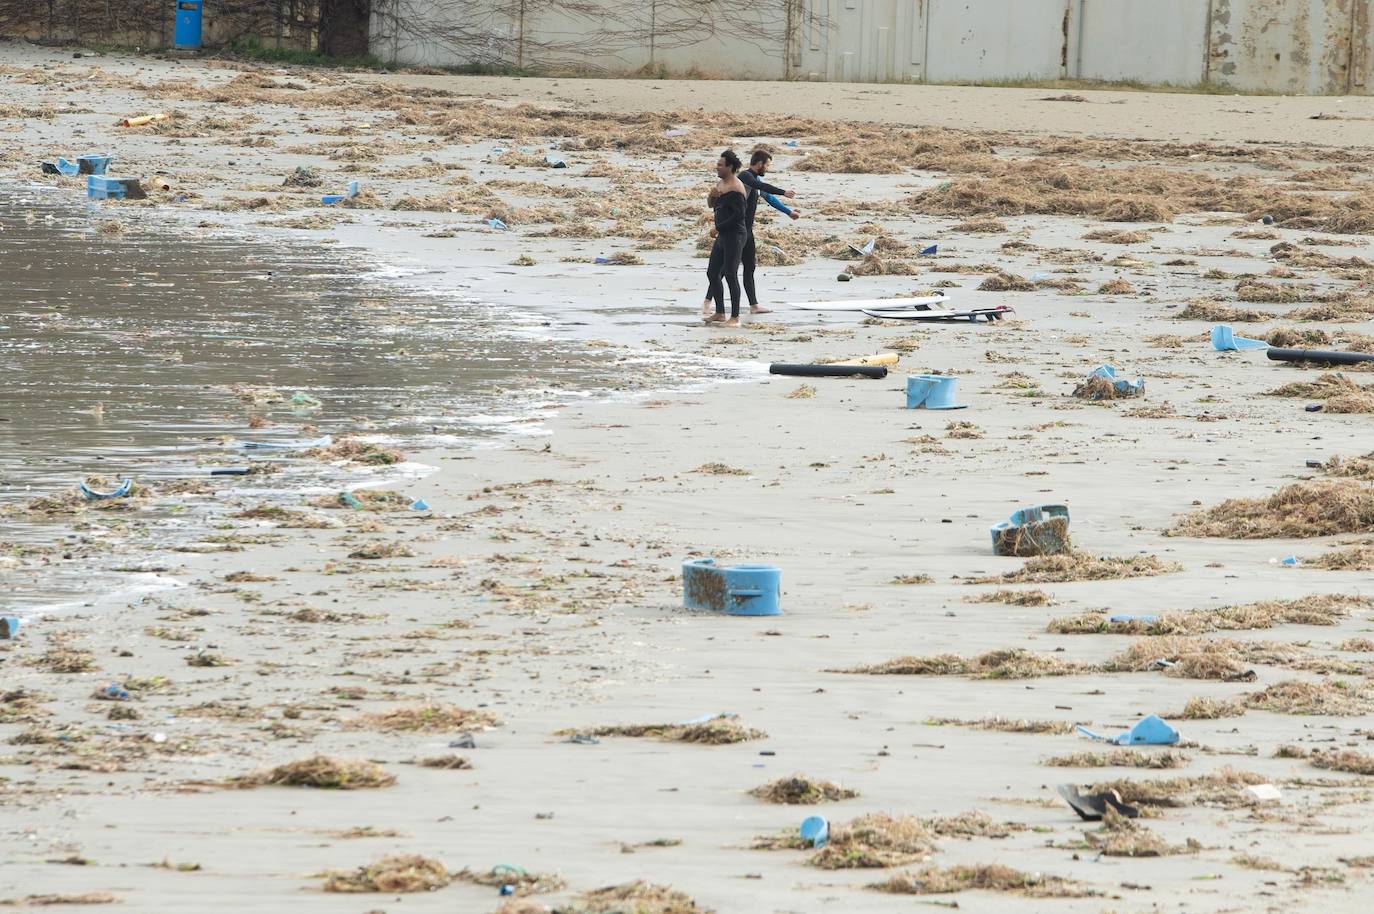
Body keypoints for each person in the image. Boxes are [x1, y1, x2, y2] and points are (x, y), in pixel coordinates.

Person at [701, 148, 799, 317]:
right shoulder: (746, 177)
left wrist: (788, 212)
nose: (767, 169)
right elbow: (761, 186)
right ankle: (708, 302)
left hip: (746, 231)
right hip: (736, 230)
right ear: (759, 163)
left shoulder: (753, 180)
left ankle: (753, 305)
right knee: (724, 270)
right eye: (767, 165)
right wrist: (784, 192)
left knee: (749, 267)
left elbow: (767, 196)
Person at [704, 149, 748, 326]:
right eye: (717, 165)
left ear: (730, 167)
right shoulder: (720, 184)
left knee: (730, 274)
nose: (717, 168)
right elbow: (712, 206)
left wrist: (718, 228)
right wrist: (711, 196)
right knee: (712, 273)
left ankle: (735, 317)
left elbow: (739, 216)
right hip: (723, 236)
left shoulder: (737, 188)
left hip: (735, 235)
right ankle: (720, 312)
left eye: (720, 165)